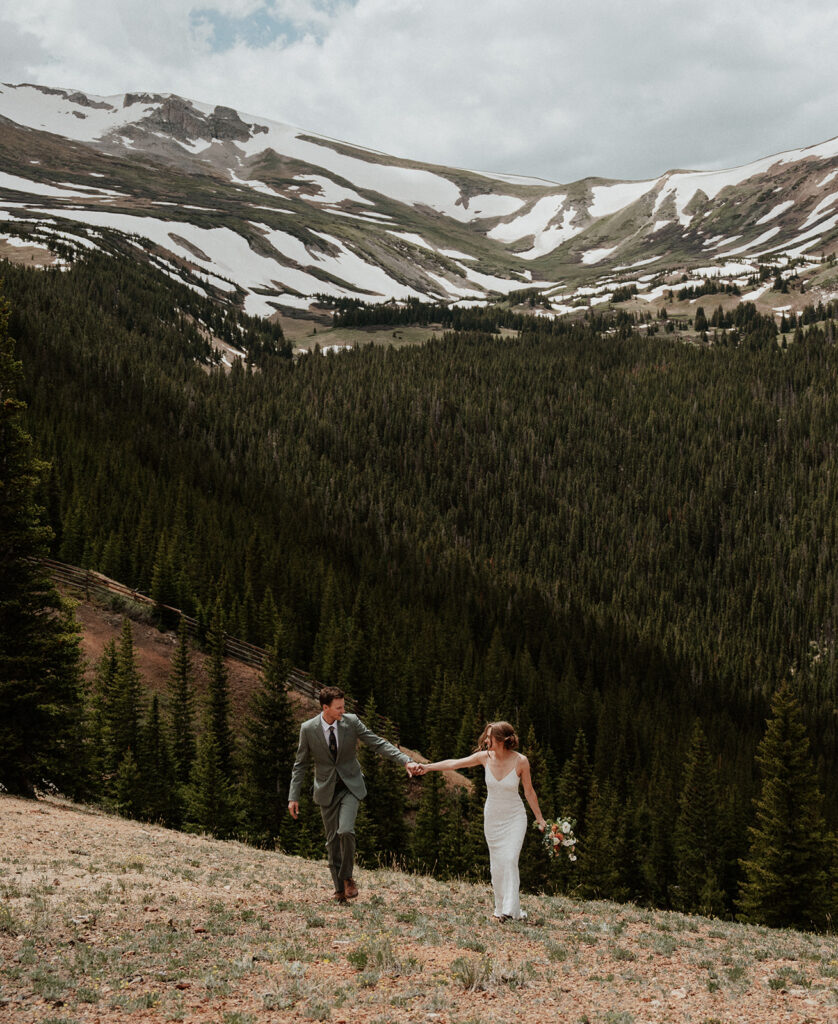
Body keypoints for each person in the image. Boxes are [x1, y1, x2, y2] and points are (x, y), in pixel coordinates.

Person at [288, 686, 421, 903]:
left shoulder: (351, 722)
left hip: (350, 786)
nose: (343, 711)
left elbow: (377, 742)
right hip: (326, 790)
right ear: (325, 708)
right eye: (338, 707)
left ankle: (348, 877)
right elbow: (300, 764)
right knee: (332, 842)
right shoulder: (308, 729)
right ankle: (339, 890)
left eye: (344, 706)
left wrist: (405, 759)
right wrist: (293, 796)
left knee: (346, 830)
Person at [415, 721, 546, 921]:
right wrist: (427, 767)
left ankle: (510, 911)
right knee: (497, 865)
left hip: (515, 817)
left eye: (489, 737)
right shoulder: (484, 758)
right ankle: (501, 908)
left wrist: (540, 818)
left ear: (501, 740)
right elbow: (454, 763)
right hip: (492, 818)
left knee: (510, 859)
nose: (485, 740)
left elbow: (529, 791)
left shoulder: (521, 761)